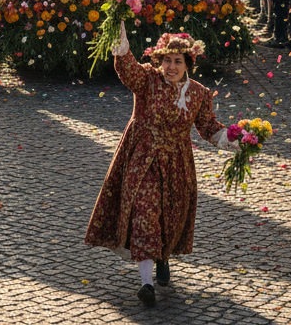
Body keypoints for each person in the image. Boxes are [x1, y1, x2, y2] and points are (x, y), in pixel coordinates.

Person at [84, 25, 232, 306]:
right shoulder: (147, 81)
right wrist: (117, 23)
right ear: (159, 60)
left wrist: (236, 139)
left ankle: (162, 258)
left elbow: (209, 127)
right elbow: (126, 65)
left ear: (188, 64)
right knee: (144, 213)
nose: (171, 66)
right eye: (167, 60)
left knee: (169, 218)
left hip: (177, 165)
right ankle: (146, 283)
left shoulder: (199, 93)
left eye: (177, 61)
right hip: (142, 159)